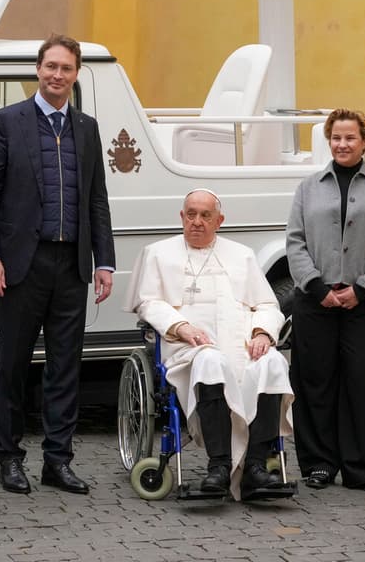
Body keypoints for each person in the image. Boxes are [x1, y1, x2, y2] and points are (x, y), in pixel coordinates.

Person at [0, 34, 116, 496]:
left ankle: (58, 460)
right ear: (37, 69)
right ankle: (9, 458)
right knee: (12, 364)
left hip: (71, 264)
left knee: (64, 366)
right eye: (51, 66)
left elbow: (97, 198)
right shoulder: (4, 123)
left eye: (67, 69)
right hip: (19, 266)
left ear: (76, 74)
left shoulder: (87, 128)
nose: (58, 76)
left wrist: (105, 262)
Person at [125, 189, 294, 499]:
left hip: (242, 345)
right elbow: (148, 303)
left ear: (220, 221)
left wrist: (262, 334)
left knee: (272, 363)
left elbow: (268, 306)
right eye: (191, 214)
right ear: (181, 217)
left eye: (205, 216)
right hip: (187, 348)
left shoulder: (241, 254)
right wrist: (180, 326)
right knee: (211, 362)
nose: (197, 222)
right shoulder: (158, 254)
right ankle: (218, 465)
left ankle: (256, 466)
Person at [286, 110, 365, 494]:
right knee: (315, 382)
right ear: (328, 140)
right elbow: (295, 241)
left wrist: (364, 289)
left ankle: (362, 468)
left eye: (350, 138)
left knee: (360, 382)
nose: (342, 144)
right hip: (315, 300)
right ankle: (318, 463)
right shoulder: (309, 187)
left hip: (363, 304)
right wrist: (319, 288)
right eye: (336, 137)